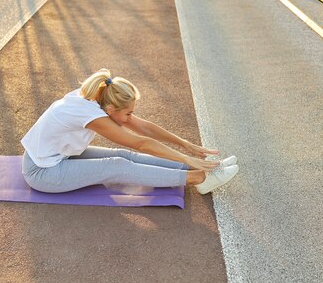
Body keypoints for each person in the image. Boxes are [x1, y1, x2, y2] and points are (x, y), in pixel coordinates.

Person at [21, 68, 239, 194]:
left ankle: (208, 169)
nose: (129, 118)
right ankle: (198, 178)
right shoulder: (88, 113)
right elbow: (140, 142)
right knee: (117, 165)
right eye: (127, 114)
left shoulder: (99, 96)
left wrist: (187, 147)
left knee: (123, 156)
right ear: (110, 110)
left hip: (60, 156)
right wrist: (190, 160)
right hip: (41, 172)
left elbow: (143, 127)